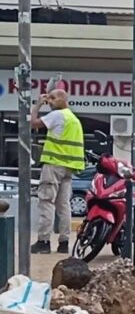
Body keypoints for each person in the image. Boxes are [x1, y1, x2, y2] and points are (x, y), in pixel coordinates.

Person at [29, 89, 85, 254]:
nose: (50, 101)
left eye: (53, 98)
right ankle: (64, 243)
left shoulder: (58, 115)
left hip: (54, 165)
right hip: (69, 168)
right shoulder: (73, 119)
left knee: (46, 202)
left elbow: (33, 123)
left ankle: (43, 241)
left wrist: (37, 105)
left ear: (62, 99)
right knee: (64, 206)